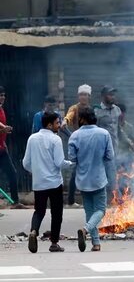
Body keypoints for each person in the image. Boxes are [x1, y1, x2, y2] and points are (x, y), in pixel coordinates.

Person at [23, 112, 73, 253]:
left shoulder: (32, 138)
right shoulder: (55, 139)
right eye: (57, 123)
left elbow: (26, 163)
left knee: (39, 211)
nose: (59, 125)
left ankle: (33, 231)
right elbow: (59, 163)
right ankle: (54, 243)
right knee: (57, 213)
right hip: (54, 183)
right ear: (49, 124)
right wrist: (70, 164)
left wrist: (36, 171)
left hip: (39, 183)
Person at [68, 107, 114, 252]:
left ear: (81, 119)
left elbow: (72, 158)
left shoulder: (74, 136)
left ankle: (96, 243)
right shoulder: (104, 133)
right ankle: (86, 230)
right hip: (99, 178)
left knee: (89, 211)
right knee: (100, 209)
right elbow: (109, 156)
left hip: (82, 180)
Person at [63, 84, 92, 208]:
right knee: (75, 172)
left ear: (89, 96)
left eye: (85, 95)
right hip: (78, 145)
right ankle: (70, 201)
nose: (83, 97)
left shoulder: (91, 109)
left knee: (90, 172)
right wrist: (65, 121)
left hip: (90, 144)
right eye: (81, 94)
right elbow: (68, 117)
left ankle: (89, 200)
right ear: (78, 96)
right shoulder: (74, 108)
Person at [94, 86, 121, 202]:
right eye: (110, 94)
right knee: (104, 176)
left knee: (113, 175)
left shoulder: (117, 110)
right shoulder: (96, 111)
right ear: (103, 96)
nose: (112, 97)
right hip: (101, 150)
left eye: (113, 94)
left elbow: (118, 128)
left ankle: (114, 200)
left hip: (115, 148)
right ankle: (110, 200)